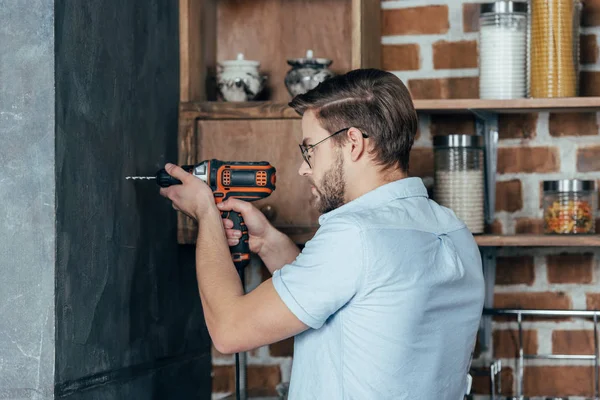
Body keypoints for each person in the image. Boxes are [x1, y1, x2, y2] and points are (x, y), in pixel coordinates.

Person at [159, 69, 485, 400]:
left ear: (354, 143)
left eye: (310, 149)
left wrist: (205, 213)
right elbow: (352, 298)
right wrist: (270, 243)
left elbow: (230, 330)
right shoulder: (454, 231)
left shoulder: (355, 235)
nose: (305, 167)